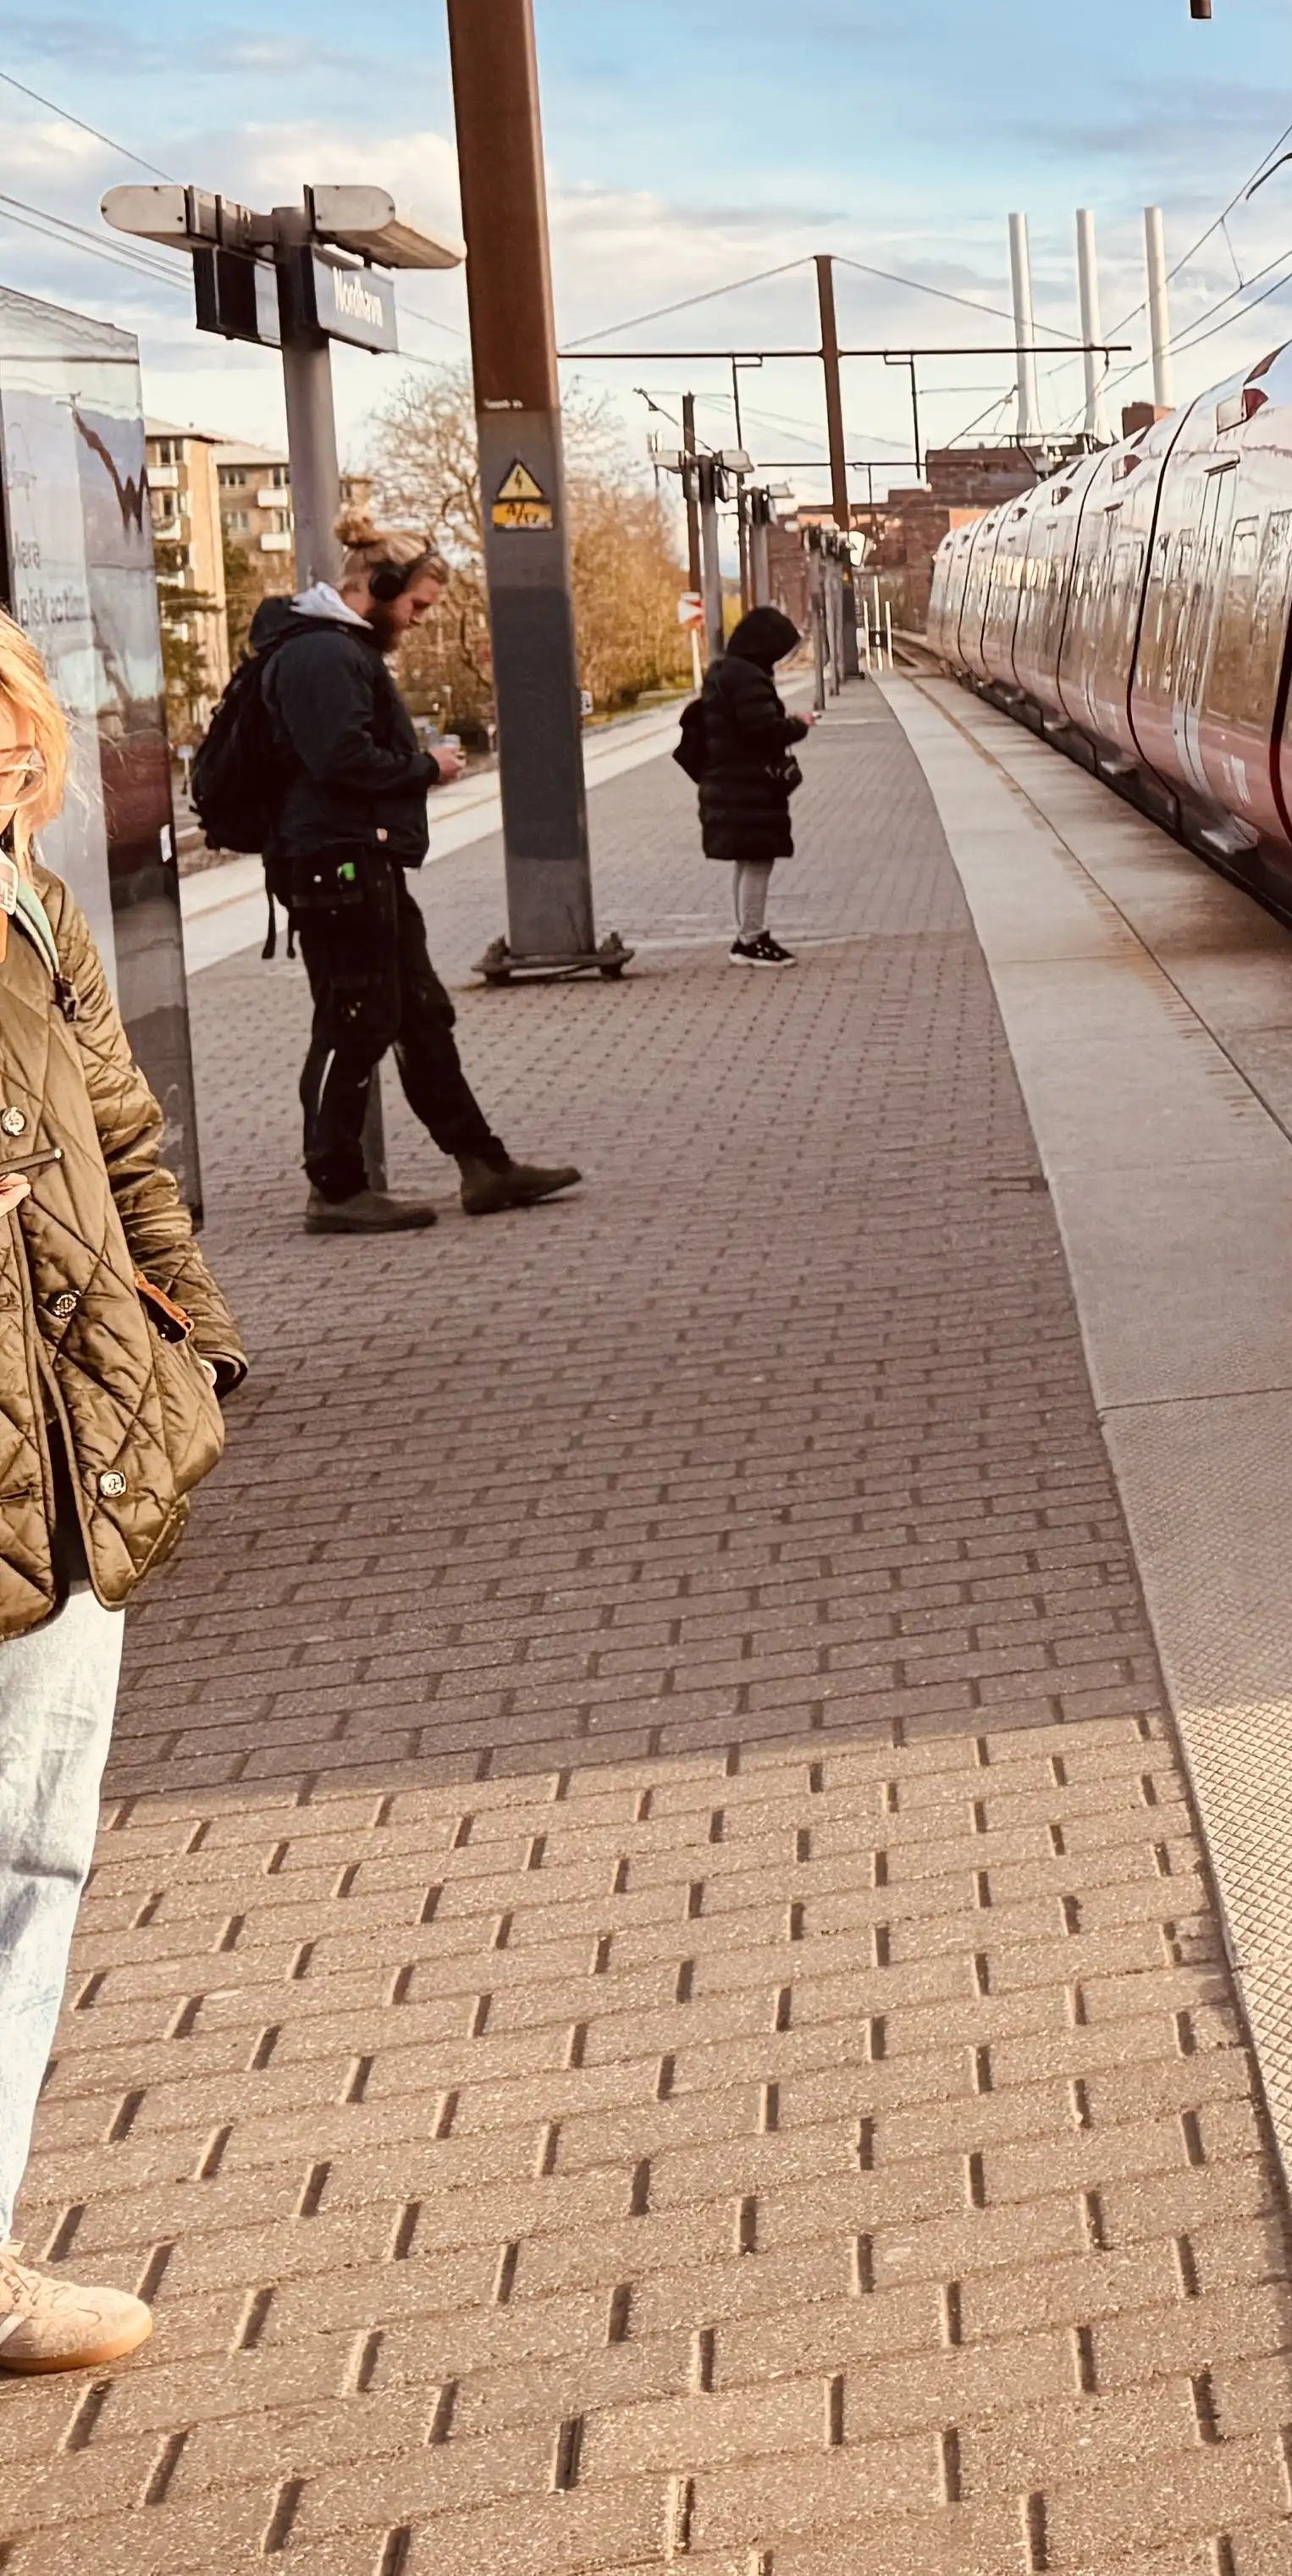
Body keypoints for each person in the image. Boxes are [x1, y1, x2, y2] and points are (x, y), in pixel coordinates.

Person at [0, 606, 245, 2370]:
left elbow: (121, 1134)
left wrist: (192, 1350)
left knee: (30, 1854)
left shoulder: (30, 902)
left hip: (72, 1460)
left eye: (14, 724)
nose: (13, 757)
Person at [249, 517, 579, 1235]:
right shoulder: (321, 657)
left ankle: (483, 1165)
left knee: (421, 1014)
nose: (419, 621)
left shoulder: (340, 652)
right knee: (354, 1022)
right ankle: (334, 1187)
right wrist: (428, 767)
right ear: (384, 586)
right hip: (336, 865)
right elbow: (340, 760)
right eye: (418, 607)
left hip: (362, 861)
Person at [685, 603, 812, 965]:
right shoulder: (747, 678)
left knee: (748, 858)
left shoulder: (726, 672)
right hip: (747, 786)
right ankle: (750, 939)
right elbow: (763, 732)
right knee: (757, 860)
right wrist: (798, 725)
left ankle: (747, 935)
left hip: (732, 783)